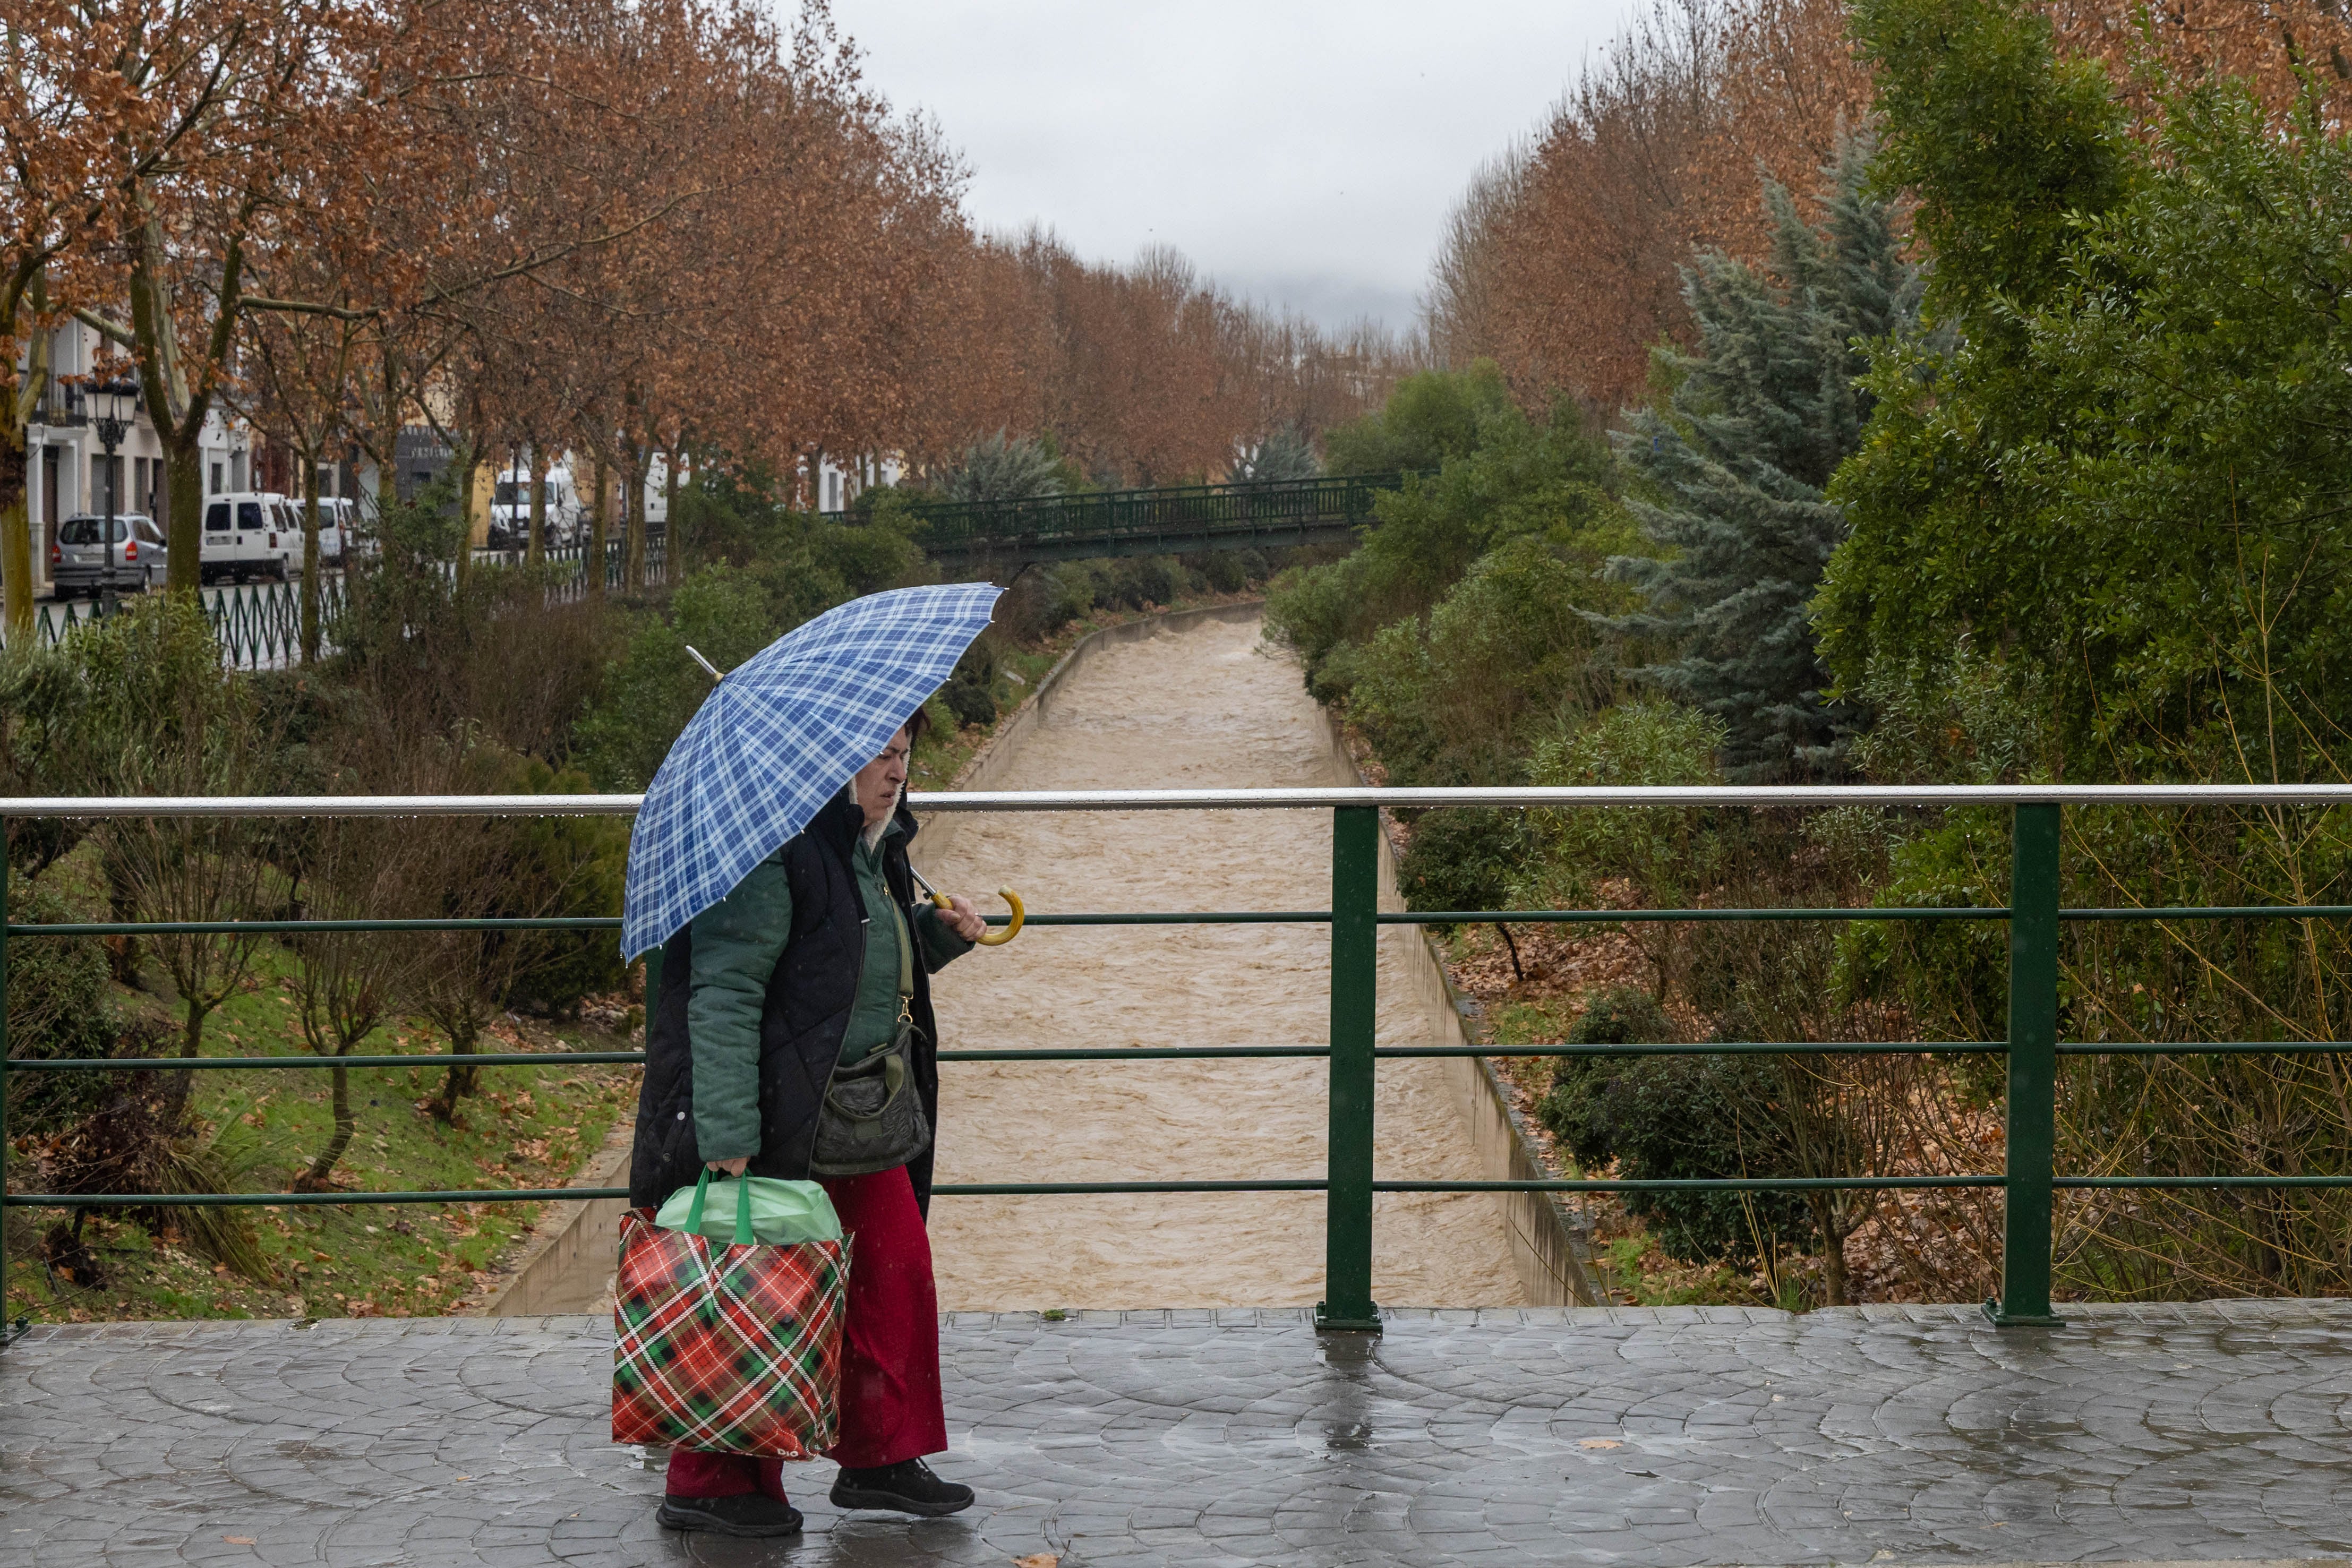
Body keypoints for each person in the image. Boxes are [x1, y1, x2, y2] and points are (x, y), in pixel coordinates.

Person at [628, 712, 988, 1538]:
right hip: (778, 1113)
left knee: (891, 1270)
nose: (895, 771)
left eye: (903, 754)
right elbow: (722, 995)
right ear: (829, 761)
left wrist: (936, 935)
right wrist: (725, 1135)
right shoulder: (772, 850)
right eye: (877, 755)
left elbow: (850, 970)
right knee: (750, 1293)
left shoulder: (877, 850)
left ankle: (878, 1457)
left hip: (859, 1107)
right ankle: (711, 1482)